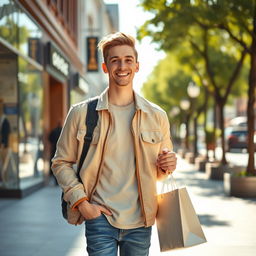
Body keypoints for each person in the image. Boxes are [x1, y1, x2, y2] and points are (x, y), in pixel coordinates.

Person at [52, 32, 177, 256]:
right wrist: (82, 203)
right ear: (105, 67)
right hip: (99, 218)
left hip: (141, 221)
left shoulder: (157, 116)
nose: (122, 66)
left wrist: (168, 164)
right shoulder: (81, 113)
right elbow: (60, 162)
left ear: (137, 66)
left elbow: (160, 173)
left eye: (128, 60)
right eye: (115, 60)